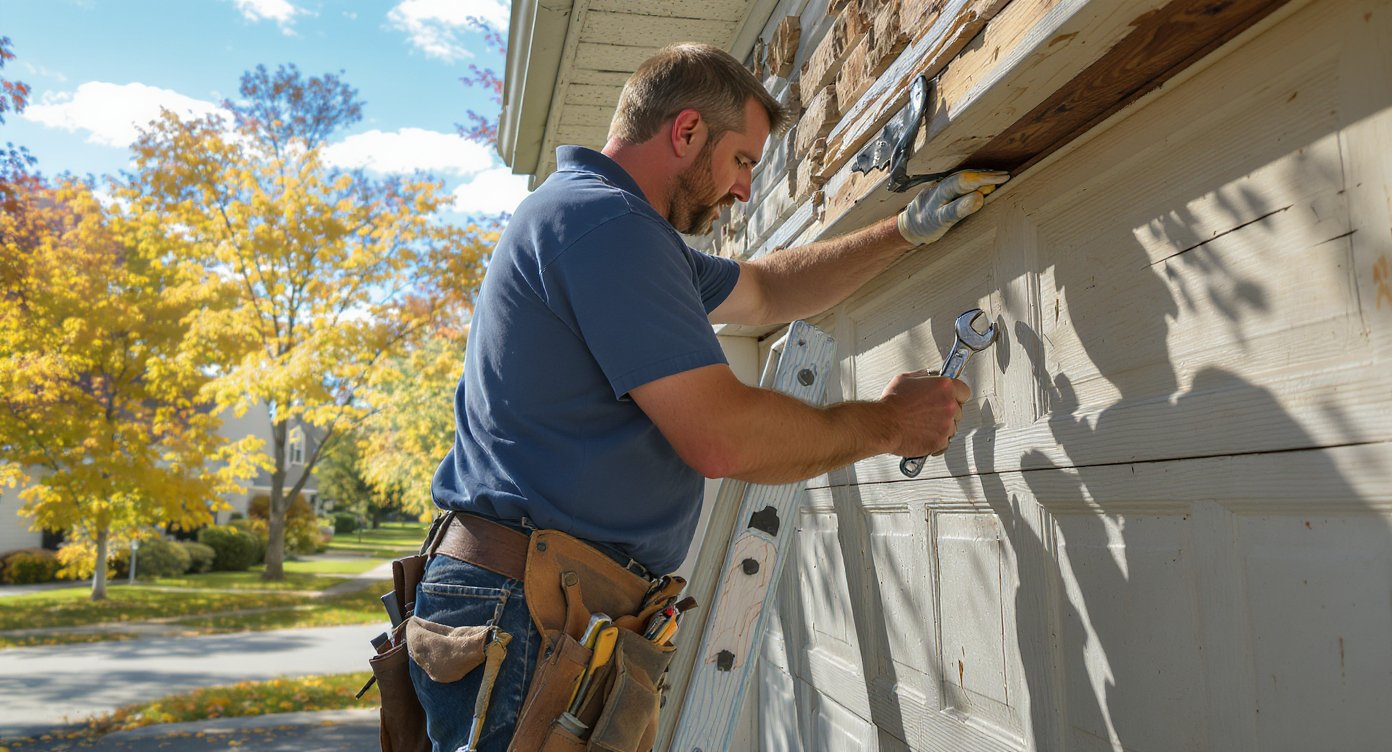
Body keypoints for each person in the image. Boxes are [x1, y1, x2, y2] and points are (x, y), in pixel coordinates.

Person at [408, 43, 1008, 751]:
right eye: (744, 161)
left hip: (545, 601)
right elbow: (721, 438)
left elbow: (767, 290)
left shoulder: (606, 226)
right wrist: (886, 424)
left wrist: (905, 230)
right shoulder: (608, 227)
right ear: (686, 132)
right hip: (532, 608)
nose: (745, 190)